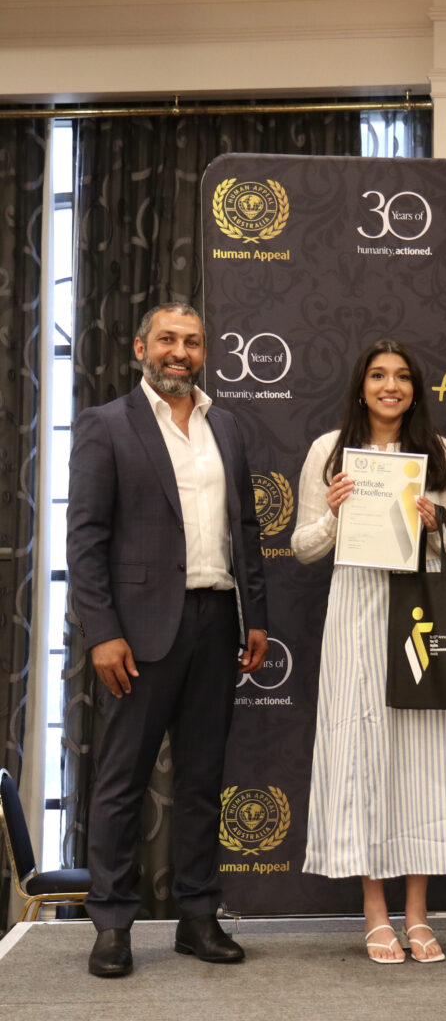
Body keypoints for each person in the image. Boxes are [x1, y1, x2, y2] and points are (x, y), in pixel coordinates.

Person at [67, 302, 268, 977]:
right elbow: (86, 542)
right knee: (122, 779)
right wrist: (103, 634)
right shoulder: (106, 427)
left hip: (217, 623)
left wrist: (258, 617)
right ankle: (113, 924)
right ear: (140, 347)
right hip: (139, 634)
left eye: (192, 341)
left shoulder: (228, 427)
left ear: (205, 351)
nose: (179, 351)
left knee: (202, 780)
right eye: (167, 340)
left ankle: (197, 918)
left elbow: (247, 530)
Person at [292, 339, 446, 964]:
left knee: (420, 758)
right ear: (361, 385)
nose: (390, 386)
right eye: (378, 375)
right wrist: (336, 517)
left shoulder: (439, 452)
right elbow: (302, 547)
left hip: (418, 613)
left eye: (401, 377)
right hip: (355, 614)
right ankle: (375, 912)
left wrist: (436, 525)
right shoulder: (329, 451)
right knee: (363, 752)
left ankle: (418, 914)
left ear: (416, 389)